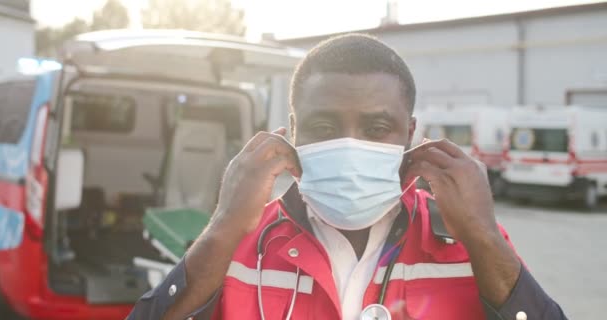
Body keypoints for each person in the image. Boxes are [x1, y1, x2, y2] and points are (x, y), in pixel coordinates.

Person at [127, 34, 567, 320]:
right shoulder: (240, 246)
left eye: (376, 129)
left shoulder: (471, 244)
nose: (350, 145)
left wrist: (485, 237)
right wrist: (224, 223)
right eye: (323, 128)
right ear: (292, 131)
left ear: (410, 134)